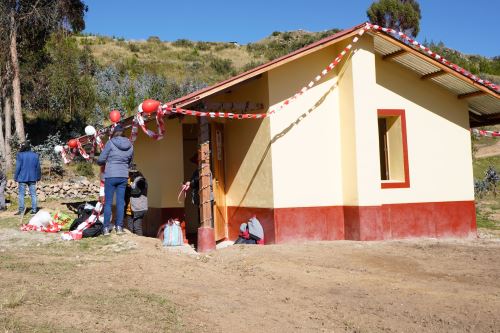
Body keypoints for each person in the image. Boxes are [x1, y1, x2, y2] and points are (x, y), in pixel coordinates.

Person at [97, 124, 133, 235]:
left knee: (108, 203)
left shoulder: (110, 143)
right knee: (120, 202)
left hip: (111, 175)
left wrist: (101, 162)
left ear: (114, 133)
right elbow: (130, 162)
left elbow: (101, 159)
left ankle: (106, 228)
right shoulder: (130, 145)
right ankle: (119, 227)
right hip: (123, 175)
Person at [14, 142, 41, 215]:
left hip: (22, 177)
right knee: (33, 194)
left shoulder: (20, 155)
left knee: (21, 195)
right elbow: (38, 167)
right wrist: (38, 177)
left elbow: (18, 167)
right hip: (32, 177)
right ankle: (34, 210)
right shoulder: (35, 155)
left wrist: (15, 177)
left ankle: (21, 210)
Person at [126, 166, 148, 236]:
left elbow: (136, 191)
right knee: (130, 229)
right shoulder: (130, 181)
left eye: (129, 173)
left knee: (137, 227)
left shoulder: (141, 181)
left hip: (138, 209)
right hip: (129, 209)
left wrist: (129, 186)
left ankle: (140, 245)